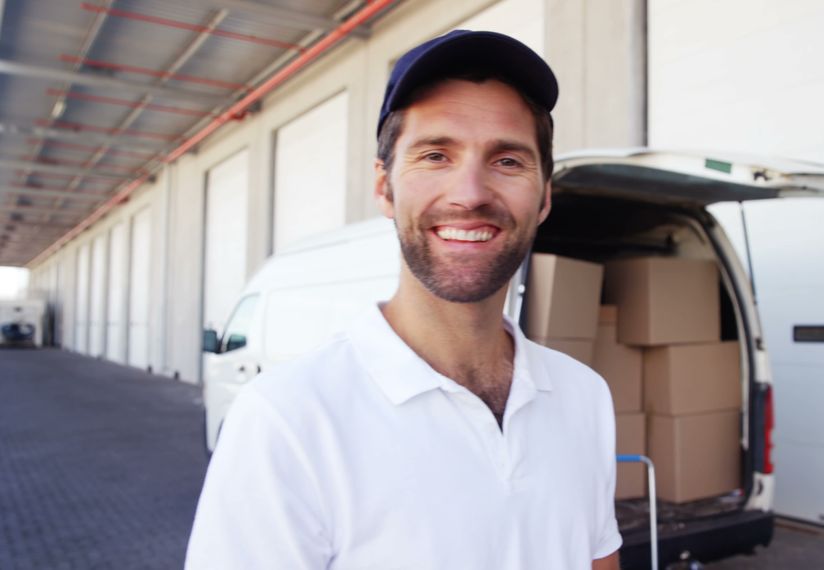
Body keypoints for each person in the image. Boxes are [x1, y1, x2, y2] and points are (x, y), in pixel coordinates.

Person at [185, 30, 621, 569]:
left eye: (508, 161)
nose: (470, 193)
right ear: (384, 187)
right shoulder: (287, 420)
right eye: (436, 155)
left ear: (545, 196)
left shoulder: (585, 397)